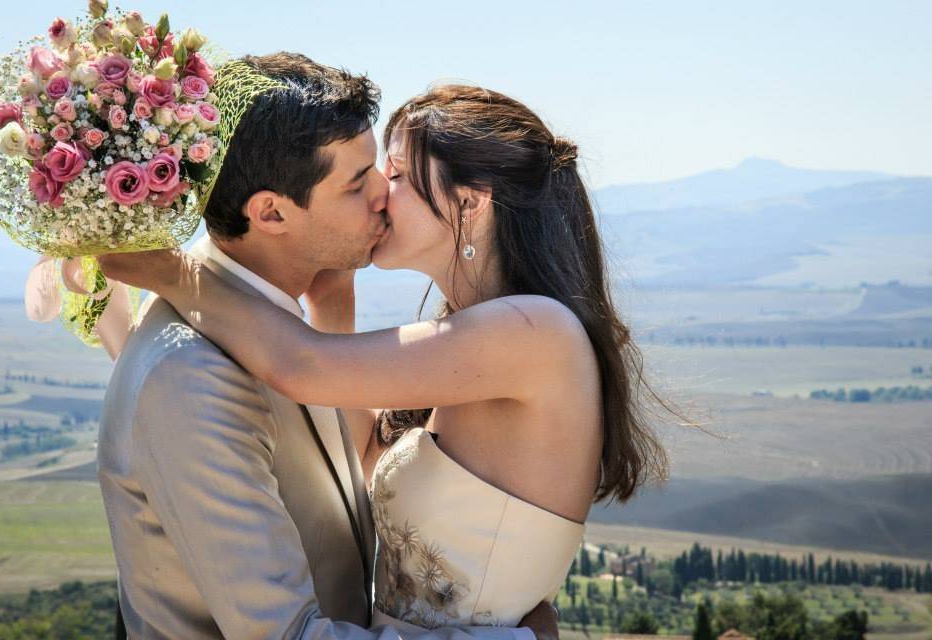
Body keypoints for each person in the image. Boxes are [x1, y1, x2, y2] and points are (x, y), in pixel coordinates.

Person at [99, 83, 670, 631]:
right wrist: (334, 304)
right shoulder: (481, 335)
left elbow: (302, 367)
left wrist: (173, 272)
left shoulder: (533, 332)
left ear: (468, 204)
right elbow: (369, 453)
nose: (379, 192)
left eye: (396, 175)